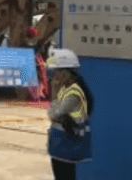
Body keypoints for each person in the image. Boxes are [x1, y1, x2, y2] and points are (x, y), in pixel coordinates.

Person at [45, 48, 94, 180]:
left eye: (57, 71)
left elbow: (53, 114)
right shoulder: (69, 89)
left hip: (65, 146)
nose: (55, 75)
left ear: (66, 73)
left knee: (64, 176)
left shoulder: (73, 94)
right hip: (63, 144)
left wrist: (54, 96)